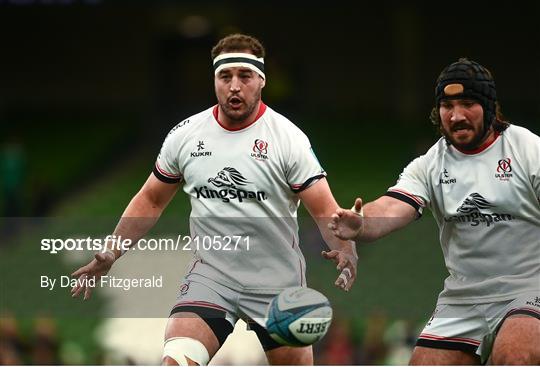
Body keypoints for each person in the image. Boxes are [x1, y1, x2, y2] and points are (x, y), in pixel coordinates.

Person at [71, 33, 358, 366]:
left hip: (277, 283)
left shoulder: (288, 139)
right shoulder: (186, 135)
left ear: (261, 80)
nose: (234, 86)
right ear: (215, 81)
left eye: (244, 76)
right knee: (176, 361)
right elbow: (150, 199)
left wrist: (346, 247)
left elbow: (324, 210)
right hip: (212, 277)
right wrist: (112, 250)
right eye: (225, 76)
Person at [329, 58, 540, 365]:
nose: (456, 116)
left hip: (528, 287)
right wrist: (361, 224)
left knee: (515, 354)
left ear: (490, 107)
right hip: (464, 298)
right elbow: (393, 205)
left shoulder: (527, 150)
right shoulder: (431, 163)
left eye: (467, 103)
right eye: (447, 105)